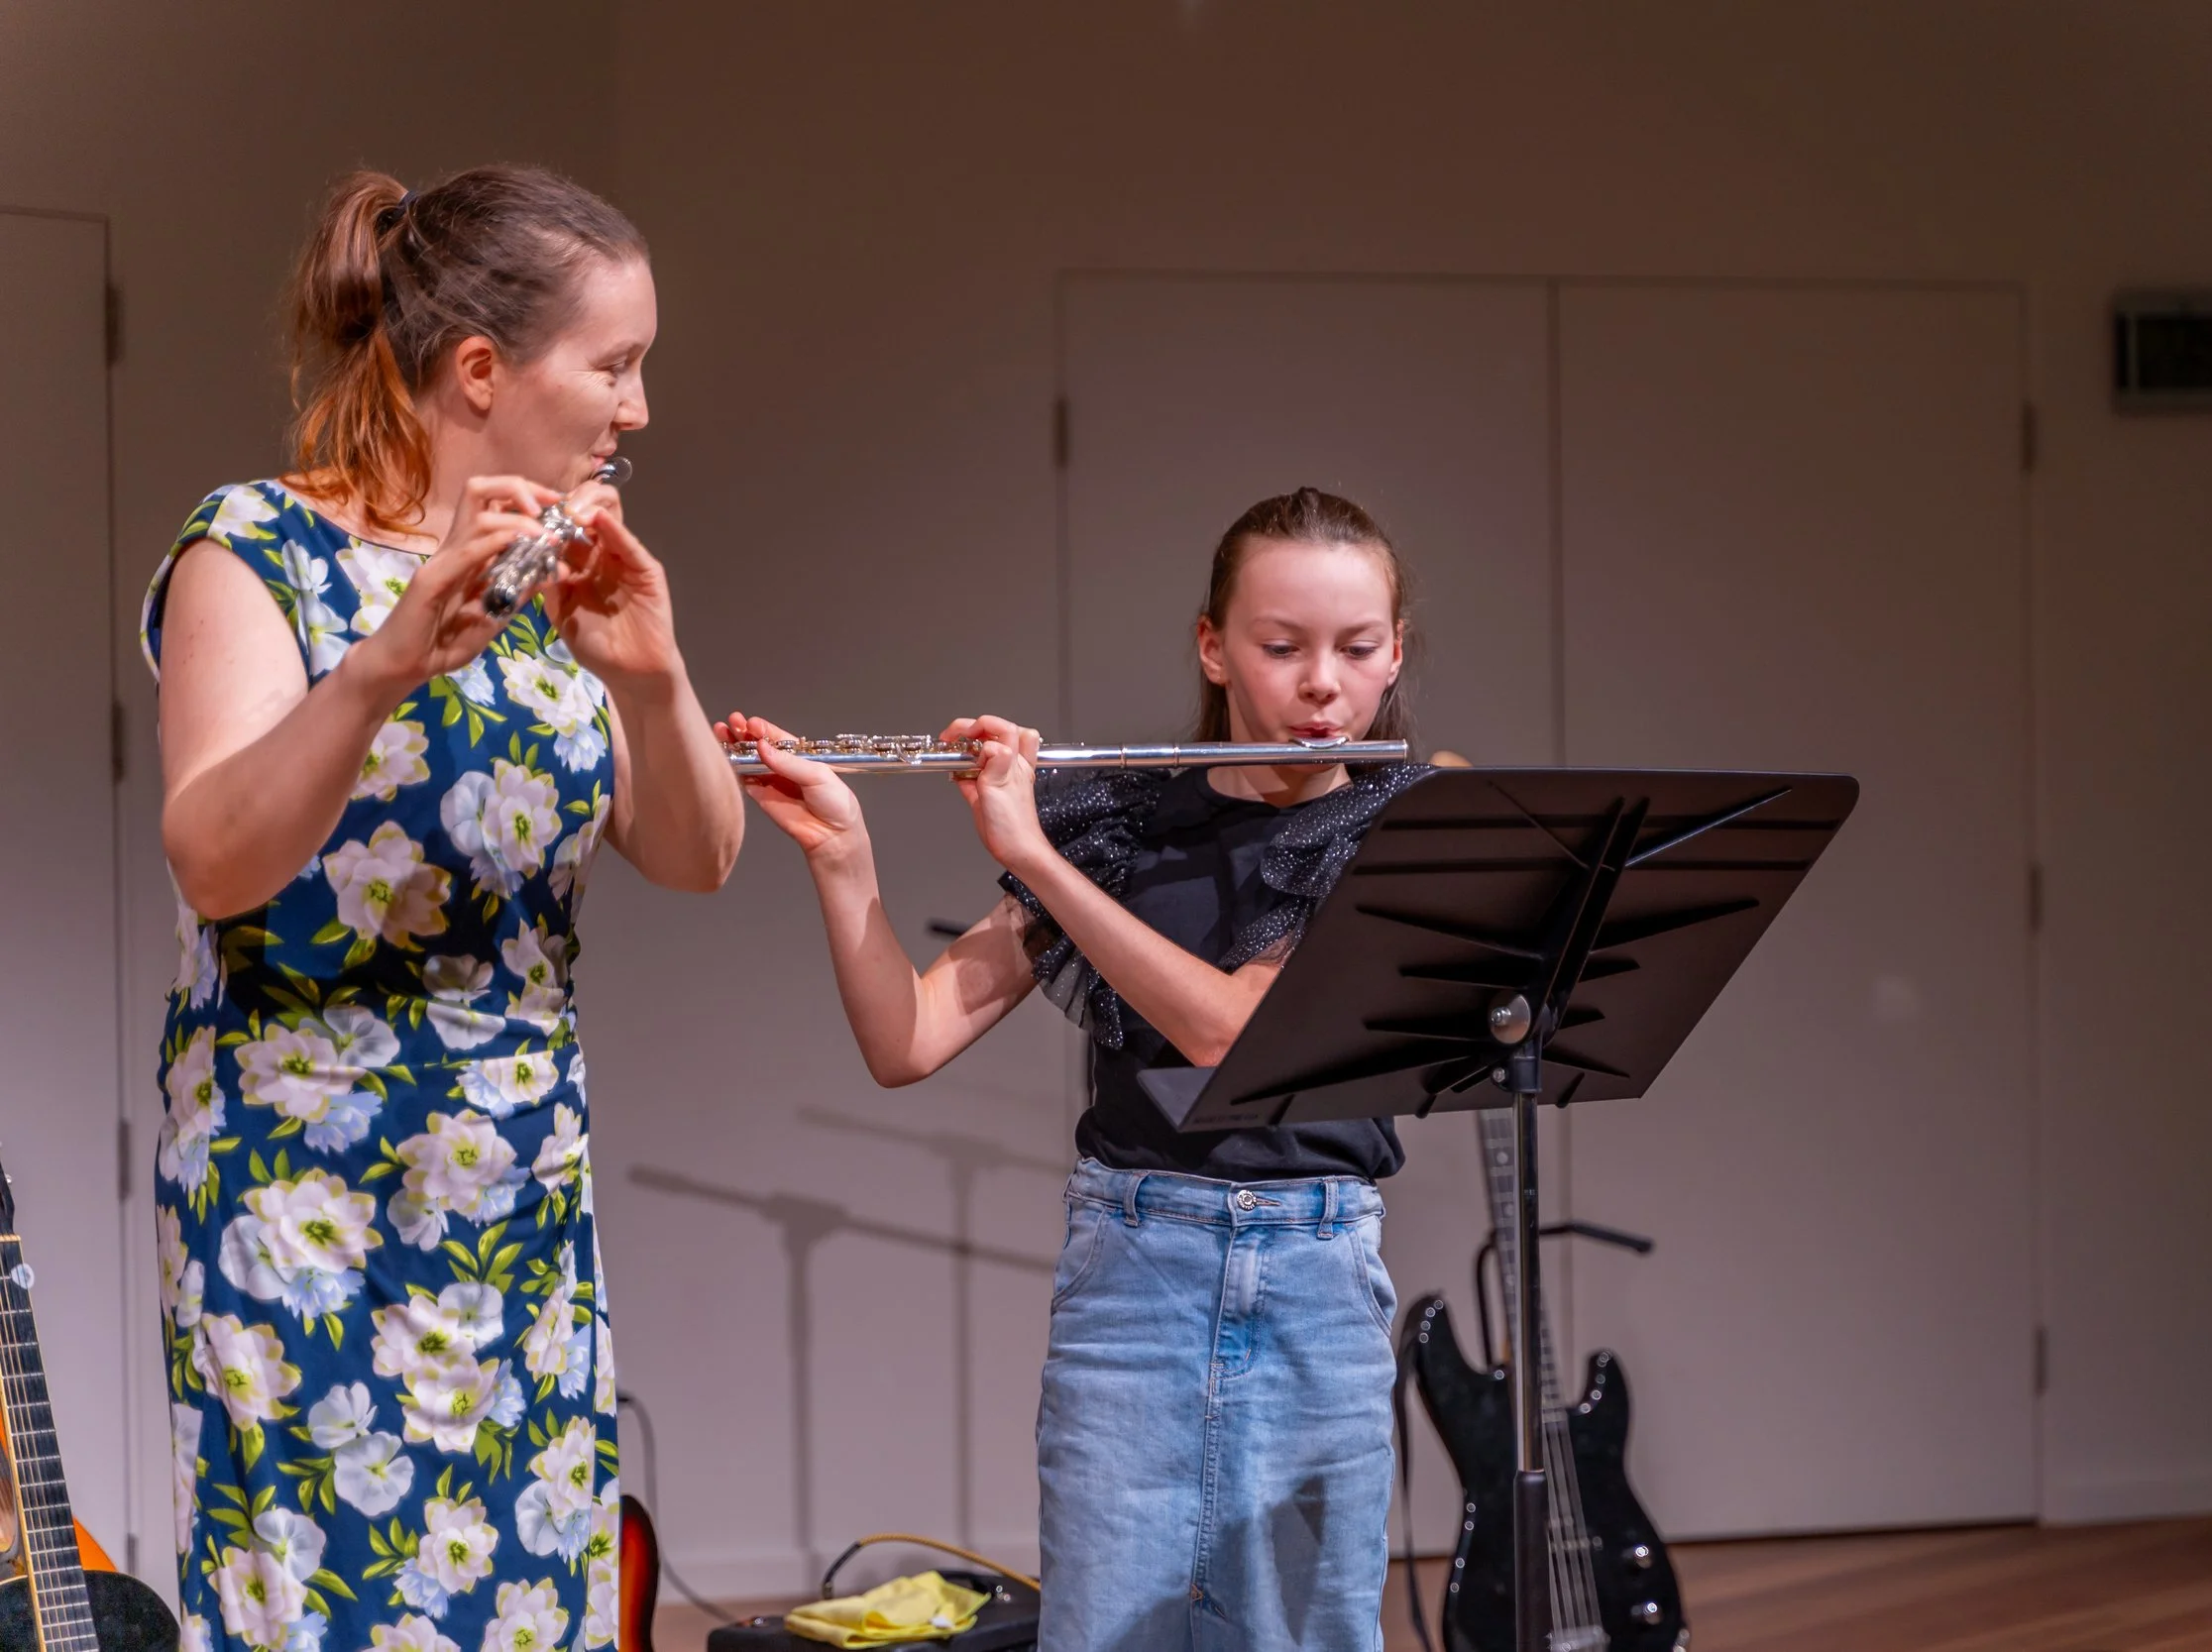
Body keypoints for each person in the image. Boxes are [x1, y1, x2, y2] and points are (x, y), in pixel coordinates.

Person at [144, 165, 742, 1652]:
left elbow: (694, 852)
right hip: (306, 1211)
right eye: (615, 365)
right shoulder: (254, 550)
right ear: (481, 371)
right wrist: (382, 664)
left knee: (532, 1608)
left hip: (519, 1206)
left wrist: (653, 678)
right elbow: (216, 856)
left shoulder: (553, 580)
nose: (639, 407)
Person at [725, 487, 1427, 1651]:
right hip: (1134, 1278)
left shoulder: (1403, 825)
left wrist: (1038, 860)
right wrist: (843, 851)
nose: (1322, 684)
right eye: (1281, 645)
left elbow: (1231, 1032)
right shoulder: (1124, 823)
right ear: (1213, 646)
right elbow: (908, 1039)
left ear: (1395, 649)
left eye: (1357, 648)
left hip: (1316, 1278)